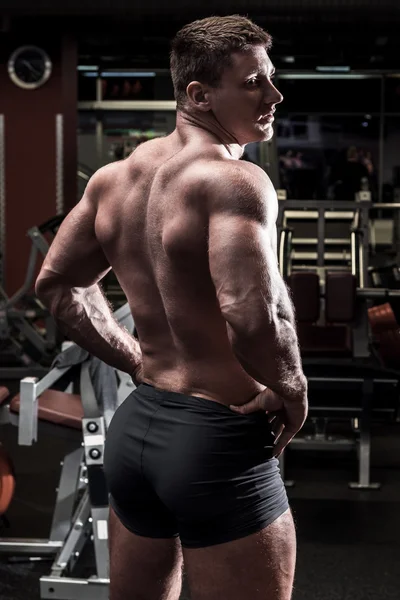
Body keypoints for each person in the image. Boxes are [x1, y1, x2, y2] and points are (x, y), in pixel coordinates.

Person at [36, 15, 308, 600]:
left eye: (271, 78)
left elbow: (57, 286)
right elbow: (248, 313)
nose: (274, 95)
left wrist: (136, 361)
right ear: (199, 95)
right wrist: (291, 386)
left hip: (138, 430)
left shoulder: (115, 179)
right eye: (254, 82)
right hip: (217, 434)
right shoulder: (235, 181)